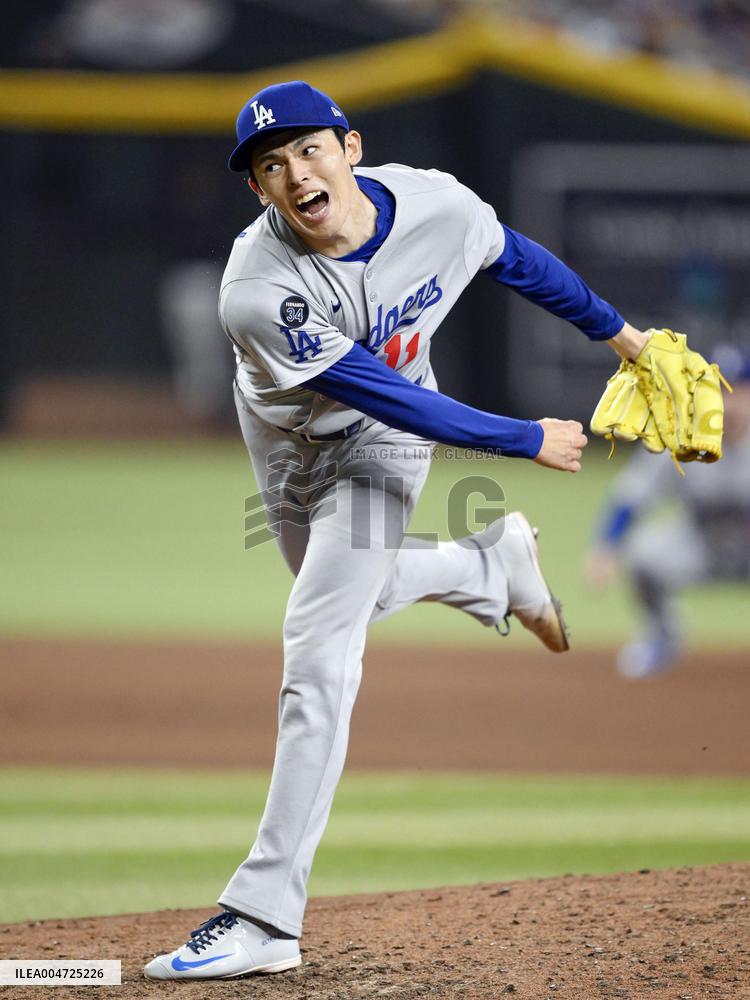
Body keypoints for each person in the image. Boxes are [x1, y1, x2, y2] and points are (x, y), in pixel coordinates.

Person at [144, 79, 653, 980]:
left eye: (307, 149)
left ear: (351, 147)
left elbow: (514, 260)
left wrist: (625, 339)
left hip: (385, 445)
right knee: (349, 593)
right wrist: (521, 437)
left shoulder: (436, 204)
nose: (294, 172)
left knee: (318, 643)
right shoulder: (255, 288)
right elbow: (370, 382)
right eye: (270, 165)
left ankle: (264, 915)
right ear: (257, 190)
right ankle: (490, 567)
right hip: (288, 444)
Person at [584, 344, 750, 680]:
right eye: (719, 392)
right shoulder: (682, 434)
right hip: (701, 544)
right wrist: (605, 547)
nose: (729, 404)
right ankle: (662, 636)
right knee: (644, 554)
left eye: (738, 392)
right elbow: (632, 496)